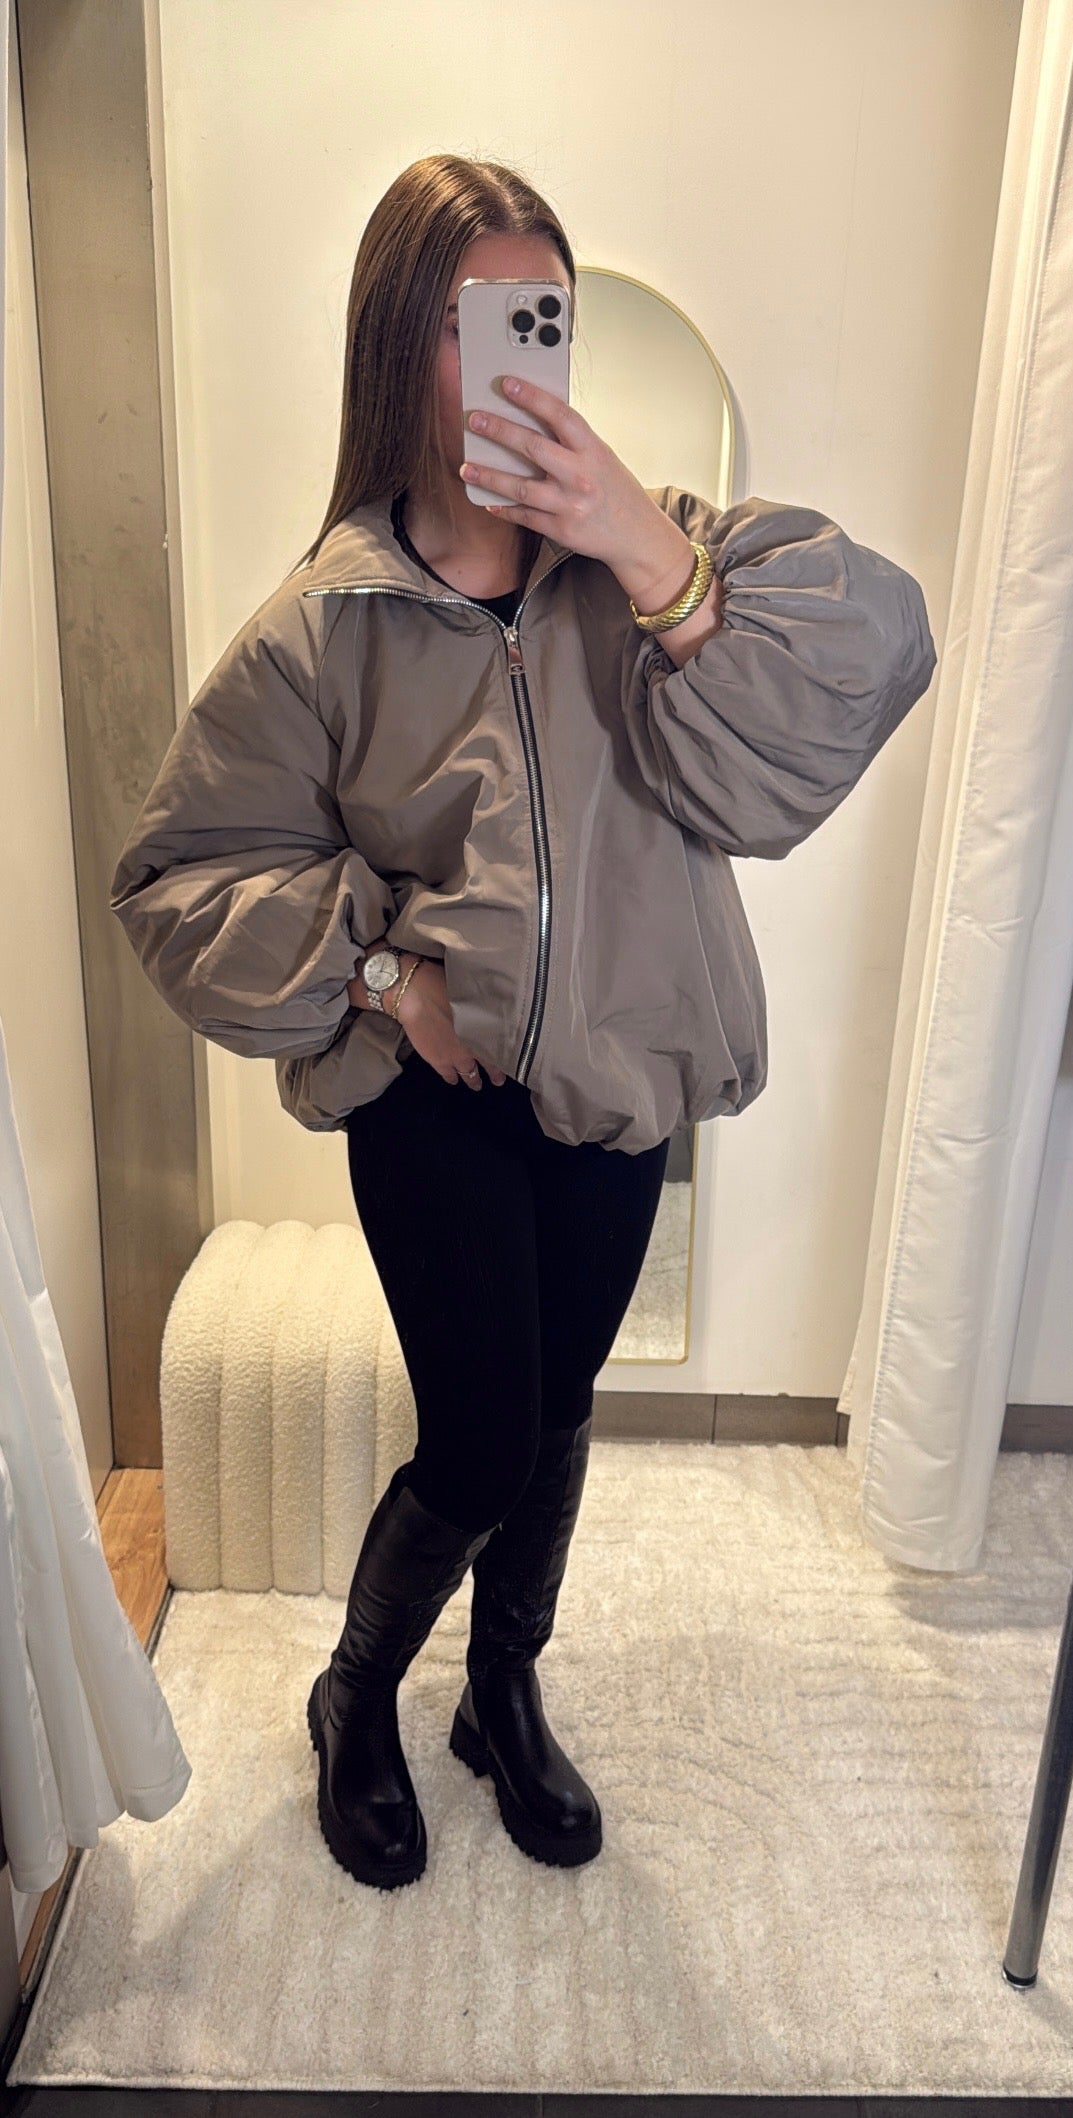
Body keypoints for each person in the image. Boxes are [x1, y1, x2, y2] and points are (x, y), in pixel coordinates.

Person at [110, 154, 938, 1894]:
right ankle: (356, 1692)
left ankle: (503, 1688)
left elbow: (869, 661)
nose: (513, 354)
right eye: (474, 318)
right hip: (435, 1096)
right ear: (398, 342)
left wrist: (649, 550)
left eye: (538, 315)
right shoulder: (322, 629)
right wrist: (382, 980)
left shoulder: (656, 561)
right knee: (482, 1431)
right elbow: (177, 879)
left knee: (557, 1411)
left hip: (618, 1074)